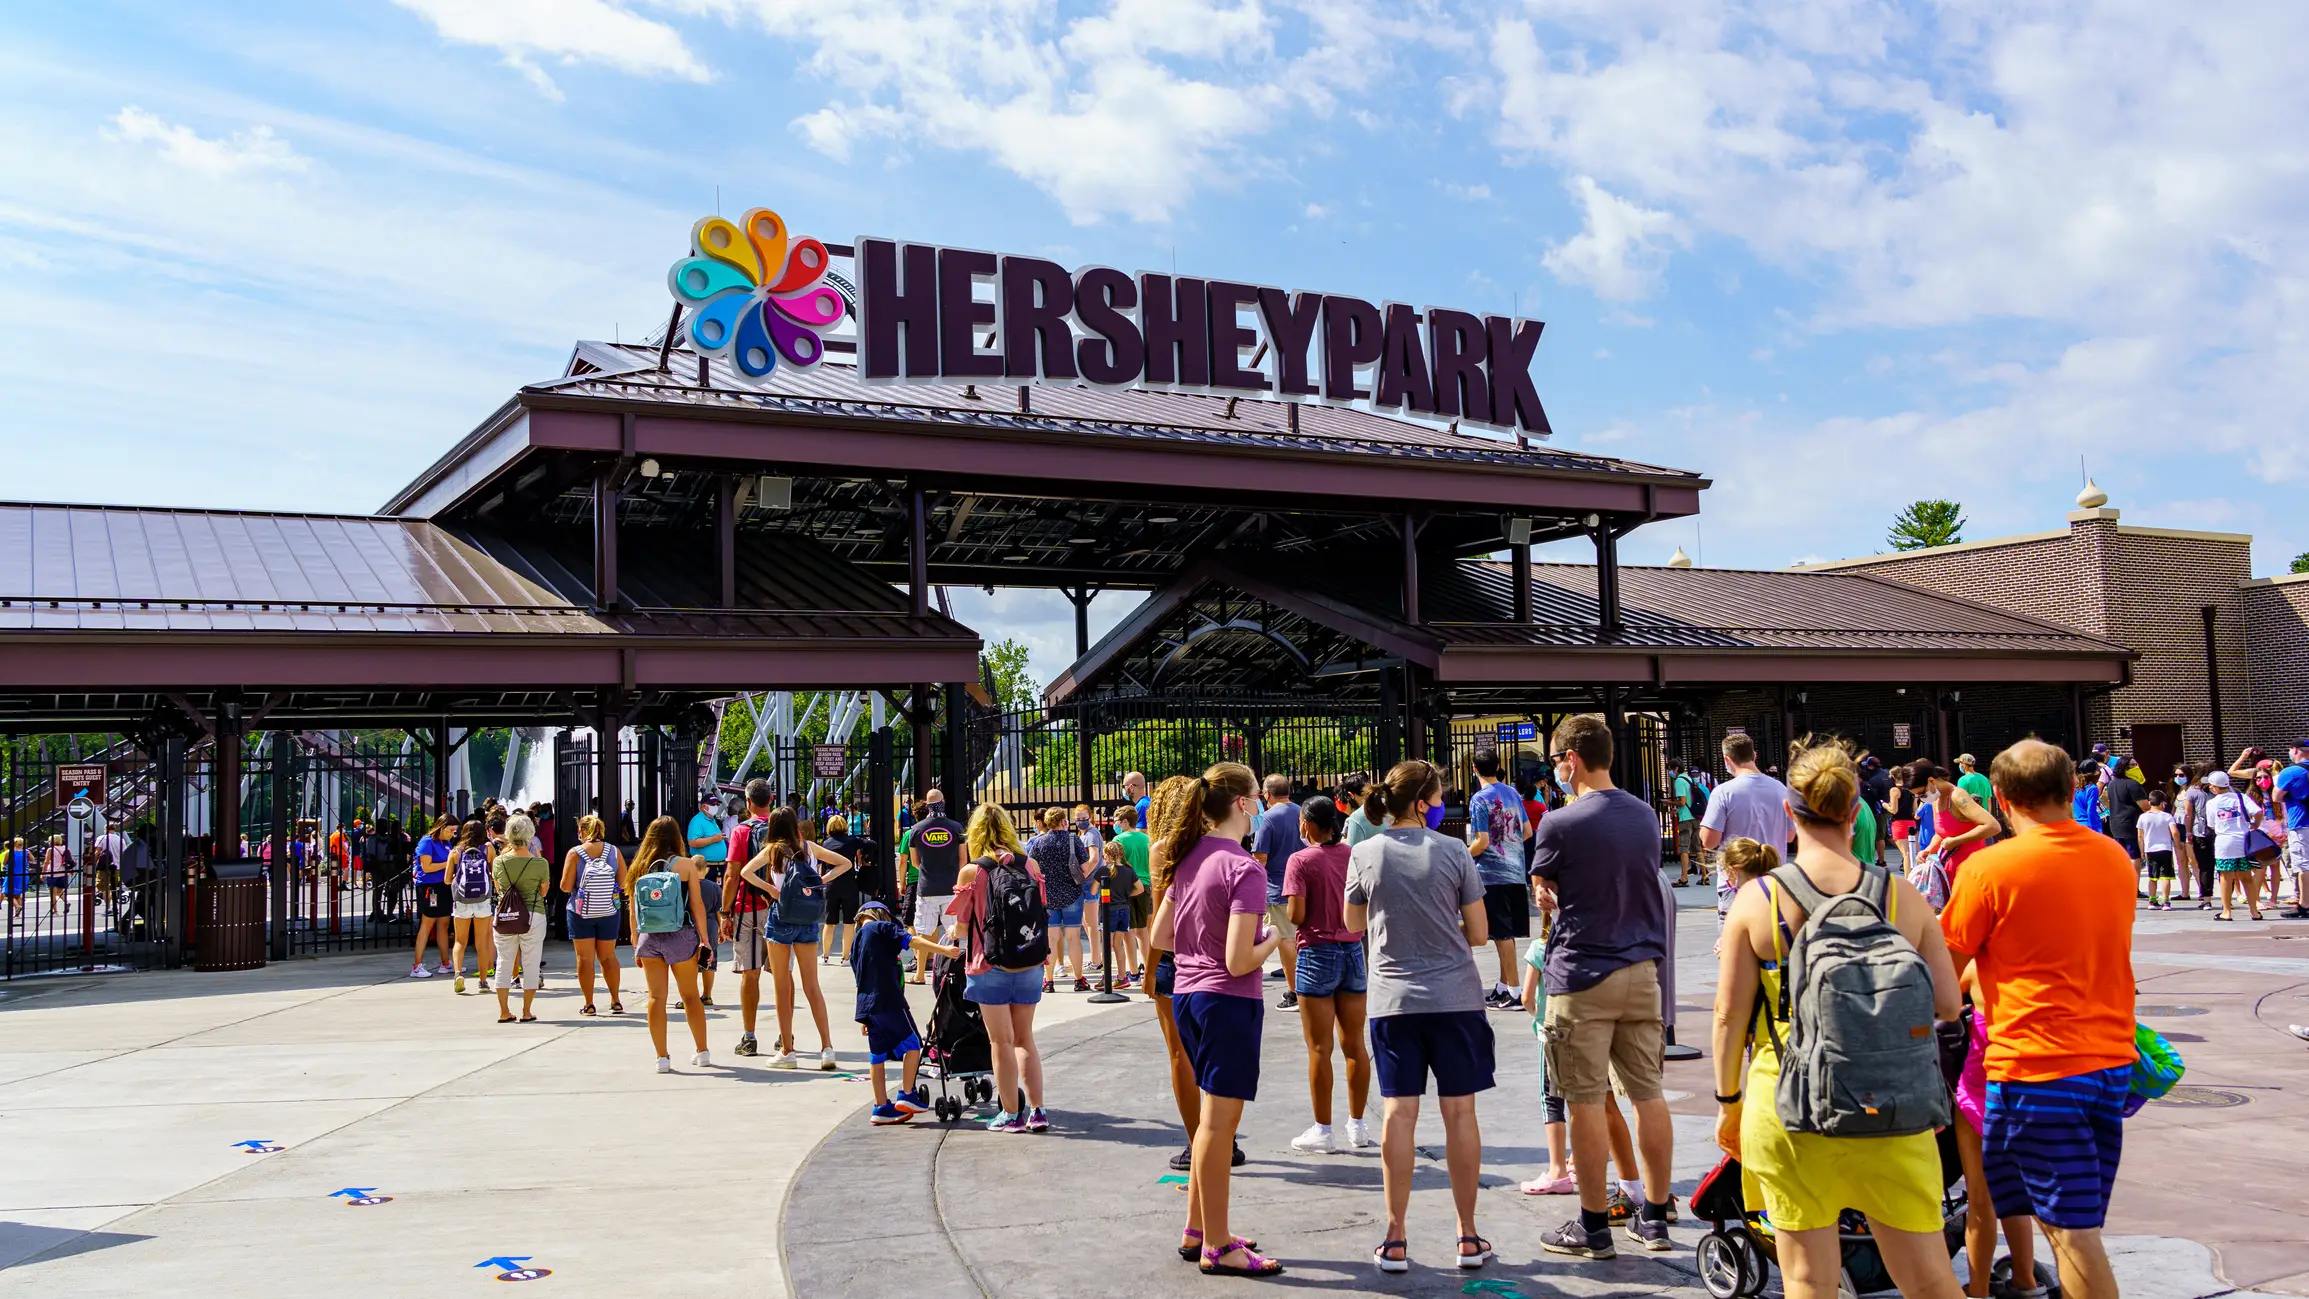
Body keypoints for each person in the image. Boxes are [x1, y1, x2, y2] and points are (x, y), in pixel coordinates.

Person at [1710, 739, 1964, 1299]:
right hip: (1893, 1106)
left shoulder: (1759, 900)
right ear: (1855, 812)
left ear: (1788, 812)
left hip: (1790, 1102)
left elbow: (1728, 1017)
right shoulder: (1901, 896)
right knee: (1927, 1277)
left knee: (1808, 1278)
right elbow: (1948, 1005)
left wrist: (1729, 1103)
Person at [1942, 739, 2138, 1299]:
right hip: (2107, 1063)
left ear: (1999, 797)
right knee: (2062, 1221)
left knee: (2070, 1236)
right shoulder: (2112, 858)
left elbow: (1942, 977)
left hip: (2037, 1068)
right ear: (2073, 789)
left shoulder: (1988, 869)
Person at [1530, 715, 1677, 1260]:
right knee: (1647, 1093)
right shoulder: (1643, 816)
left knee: (1583, 1100)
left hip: (1582, 972)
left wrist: (1547, 896)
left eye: (1555, 760)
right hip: (1642, 970)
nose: (1555, 770)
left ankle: (1593, 1224)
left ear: (1571, 757)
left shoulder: (1560, 822)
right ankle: (1656, 1216)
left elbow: (1545, 885)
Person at [1347, 759, 1496, 1274]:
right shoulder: (1455, 851)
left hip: (1393, 1004)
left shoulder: (1364, 851)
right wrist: (1443, 916)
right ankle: (1468, 1236)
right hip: (1455, 999)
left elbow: (1351, 922)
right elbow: (1479, 934)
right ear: (1422, 802)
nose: (1442, 806)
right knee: (1460, 1114)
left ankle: (1395, 1237)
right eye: (1439, 798)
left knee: (1397, 1115)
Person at [1147, 761, 1284, 1278]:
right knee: (1219, 1128)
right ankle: (1220, 1245)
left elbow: (1161, 939)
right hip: (1228, 1000)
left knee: (1210, 1122)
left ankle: (1198, 1229)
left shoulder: (1187, 857)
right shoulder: (1244, 868)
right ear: (1244, 804)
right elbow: (1238, 960)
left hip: (1188, 996)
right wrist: (1276, 937)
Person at [949, 801, 1051, 1133]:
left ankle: (1011, 1114)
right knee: (1025, 1039)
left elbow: (962, 928)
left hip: (988, 965)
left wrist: (952, 932)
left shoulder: (973, 871)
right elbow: (1041, 910)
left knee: (1001, 1042)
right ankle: (1037, 1111)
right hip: (1030, 961)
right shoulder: (1030, 864)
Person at [1282, 795, 1371, 1154]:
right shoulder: (1354, 855)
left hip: (1316, 953)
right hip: (1353, 950)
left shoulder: (1300, 860)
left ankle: (1323, 1129)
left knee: (1320, 1047)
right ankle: (1359, 1126)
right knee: (1355, 1044)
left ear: (1309, 824)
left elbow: (1296, 914)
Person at [738, 807, 853, 1070]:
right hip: (808, 919)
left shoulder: (773, 850)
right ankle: (827, 1048)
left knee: (781, 985)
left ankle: (788, 1050)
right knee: (812, 985)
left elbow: (746, 872)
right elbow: (845, 863)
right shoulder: (810, 847)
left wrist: (772, 890)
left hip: (782, 917)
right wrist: (819, 882)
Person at [1952, 964, 2041, 1299]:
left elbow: (1943, 1000)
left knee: (1980, 1198)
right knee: (2016, 1197)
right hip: (2031, 1088)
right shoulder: (2046, 968)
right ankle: (2025, 1281)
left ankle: (1977, 1290)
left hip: (1980, 1092)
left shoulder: (1977, 967)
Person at [851, 897, 958, 1124]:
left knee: (877, 1056)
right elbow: (913, 941)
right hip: (889, 1000)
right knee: (913, 1044)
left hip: (867, 1006)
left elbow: (860, 977)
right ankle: (907, 1094)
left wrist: (864, 1016)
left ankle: (881, 1107)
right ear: (883, 916)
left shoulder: (856, 942)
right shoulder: (882, 927)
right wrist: (944, 950)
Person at [625, 815, 714, 1072]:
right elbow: (696, 904)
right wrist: (704, 939)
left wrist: (635, 942)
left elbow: (634, 909)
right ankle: (702, 1050)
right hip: (681, 934)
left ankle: (662, 1057)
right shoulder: (685, 865)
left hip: (650, 937)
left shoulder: (639, 865)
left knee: (655, 997)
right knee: (690, 996)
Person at [1700, 733, 1795, 929]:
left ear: (1727, 759)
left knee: (1734, 950)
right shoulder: (1781, 789)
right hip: (1773, 880)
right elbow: (1790, 836)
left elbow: (1709, 841)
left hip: (1736, 882)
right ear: (1755, 755)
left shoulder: (1724, 792)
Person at [1464, 747, 1531, 1011]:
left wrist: (1462, 855)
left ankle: (1514, 991)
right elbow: (1526, 831)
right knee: (1507, 932)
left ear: (1474, 769)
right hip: (1515, 870)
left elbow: (1482, 841)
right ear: (1498, 766)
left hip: (1492, 874)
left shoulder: (1480, 799)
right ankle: (1504, 986)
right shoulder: (1512, 792)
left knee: (1502, 934)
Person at [721, 780, 779, 1055]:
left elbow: (732, 875)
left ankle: (749, 1036)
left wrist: (725, 912)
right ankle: (785, 1033)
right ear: (771, 799)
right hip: (781, 907)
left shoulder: (741, 831)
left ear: (747, 801)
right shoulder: (786, 830)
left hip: (749, 907)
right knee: (782, 974)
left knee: (750, 973)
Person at [488, 815, 553, 1025]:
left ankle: (504, 1010)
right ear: (530, 835)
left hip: (505, 915)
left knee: (504, 963)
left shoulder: (499, 861)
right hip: (533, 915)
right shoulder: (540, 863)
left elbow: (498, 889)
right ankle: (526, 1010)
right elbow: (543, 892)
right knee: (531, 963)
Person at [559, 815, 626, 1015]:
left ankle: (589, 1004)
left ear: (582, 831)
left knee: (585, 958)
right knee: (608, 957)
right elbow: (623, 883)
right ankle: (615, 1000)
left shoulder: (575, 853)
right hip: (608, 910)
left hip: (580, 912)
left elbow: (565, 886)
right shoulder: (614, 851)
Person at [1249, 774, 1305, 1010]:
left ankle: (1295, 992)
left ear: (1267, 794)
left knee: (1286, 942)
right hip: (1305, 886)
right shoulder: (1302, 811)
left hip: (1278, 888)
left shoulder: (1268, 819)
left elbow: (1260, 857)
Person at [1027, 806, 1090, 993]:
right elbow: (1085, 868)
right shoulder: (1074, 840)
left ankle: (1049, 981)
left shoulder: (1038, 843)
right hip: (1072, 894)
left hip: (1048, 896)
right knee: (1073, 938)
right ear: (1064, 821)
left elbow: (1031, 868)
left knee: (1051, 939)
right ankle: (1079, 980)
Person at [1910, 761, 1998, 885]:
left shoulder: (1957, 796)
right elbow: (1941, 833)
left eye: (1921, 793)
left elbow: (1993, 826)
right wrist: (1928, 849)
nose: (1921, 798)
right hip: (1950, 871)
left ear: (1931, 781)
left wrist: (1956, 840)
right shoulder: (1937, 800)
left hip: (1972, 871)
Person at [432, 818, 490, 989]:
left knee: (460, 941)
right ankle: (483, 981)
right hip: (483, 900)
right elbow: (493, 874)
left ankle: (458, 974)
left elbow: (447, 880)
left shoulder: (456, 851)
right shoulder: (488, 849)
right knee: (481, 943)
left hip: (462, 900)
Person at [2205, 770, 2267, 921]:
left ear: (2214, 787)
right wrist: (2254, 825)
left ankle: (2226, 911)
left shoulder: (2212, 803)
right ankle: (2254, 911)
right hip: (2243, 841)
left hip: (2224, 843)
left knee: (2226, 878)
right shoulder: (2241, 797)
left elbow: (2211, 825)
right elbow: (2258, 812)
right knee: (2247, 878)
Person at [1111, 804, 1154, 981]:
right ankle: (1150, 969)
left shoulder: (1119, 840)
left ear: (1125, 821)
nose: (1115, 824)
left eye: (1117, 821)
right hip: (1145, 885)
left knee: (1128, 931)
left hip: (1126, 887)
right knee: (1143, 932)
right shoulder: (1146, 839)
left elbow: (1116, 864)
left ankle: (1134, 970)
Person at [1094, 839, 1143, 986]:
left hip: (1109, 911)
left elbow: (1093, 890)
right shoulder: (1129, 870)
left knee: (1107, 945)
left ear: (1107, 856)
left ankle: (1106, 978)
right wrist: (1126, 895)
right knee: (1118, 944)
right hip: (1124, 910)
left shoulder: (1103, 871)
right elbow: (1140, 889)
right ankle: (1122, 977)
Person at [818, 813, 865, 963]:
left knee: (829, 922)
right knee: (849, 923)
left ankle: (825, 955)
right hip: (849, 883)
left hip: (831, 884)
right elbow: (872, 844)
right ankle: (846, 957)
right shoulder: (852, 841)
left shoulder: (825, 843)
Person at [2104, 758, 2150, 888]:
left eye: (2137, 764)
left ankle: (2123, 885)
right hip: (2131, 824)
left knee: (2122, 856)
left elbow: (2107, 801)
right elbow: (2145, 807)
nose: (2136, 767)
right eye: (2133, 765)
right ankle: (2133, 887)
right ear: (2125, 768)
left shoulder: (2112, 784)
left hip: (2116, 823)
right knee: (2135, 856)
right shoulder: (2133, 785)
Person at [2276, 740, 2309, 919]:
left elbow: (2276, 796)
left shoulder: (2291, 772)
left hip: (2301, 822)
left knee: (2303, 865)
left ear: (2295, 750)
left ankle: (2304, 904)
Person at [2174, 763, 2212, 906]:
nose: (2178, 778)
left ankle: (2203, 891)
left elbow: (2191, 812)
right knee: (2181, 861)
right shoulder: (2178, 791)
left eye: (2181, 775)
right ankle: (2185, 892)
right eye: (2176, 775)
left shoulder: (2193, 790)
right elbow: (2174, 809)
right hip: (2177, 826)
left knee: (2193, 861)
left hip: (2189, 826)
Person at [2138, 791, 2179, 912]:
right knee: (2166, 876)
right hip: (2165, 849)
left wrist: (2142, 851)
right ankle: (2166, 901)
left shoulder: (2143, 817)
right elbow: (2175, 832)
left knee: (2153, 876)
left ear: (2149, 802)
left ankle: (2152, 900)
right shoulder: (2167, 816)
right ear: (2163, 803)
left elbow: (2140, 836)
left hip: (2150, 849)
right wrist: (2177, 845)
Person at [1672, 762, 1699, 885]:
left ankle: (1684, 878)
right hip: (1695, 816)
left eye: (1671, 770)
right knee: (1698, 848)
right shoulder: (1689, 779)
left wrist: (1669, 803)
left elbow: (1682, 802)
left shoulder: (1679, 781)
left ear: (1676, 769)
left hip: (1685, 818)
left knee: (1684, 849)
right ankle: (1705, 876)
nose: (1670, 773)